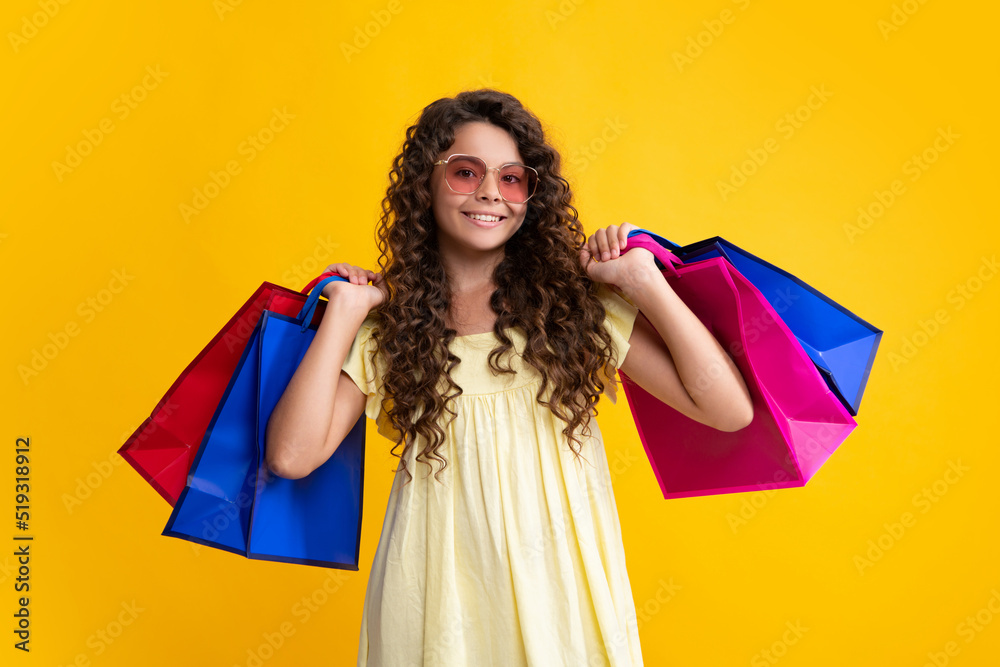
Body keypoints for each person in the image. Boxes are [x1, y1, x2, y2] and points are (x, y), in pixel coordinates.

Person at [264, 89, 754, 666]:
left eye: (512, 178)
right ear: (424, 182)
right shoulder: (392, 327)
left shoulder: (574, 307)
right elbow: (291, 457)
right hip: (433, 599)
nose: (491, 193)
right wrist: (344, 314)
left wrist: (645, 283)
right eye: (465, 172)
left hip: (562, 596)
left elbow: (729, 410)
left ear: (531, 195)